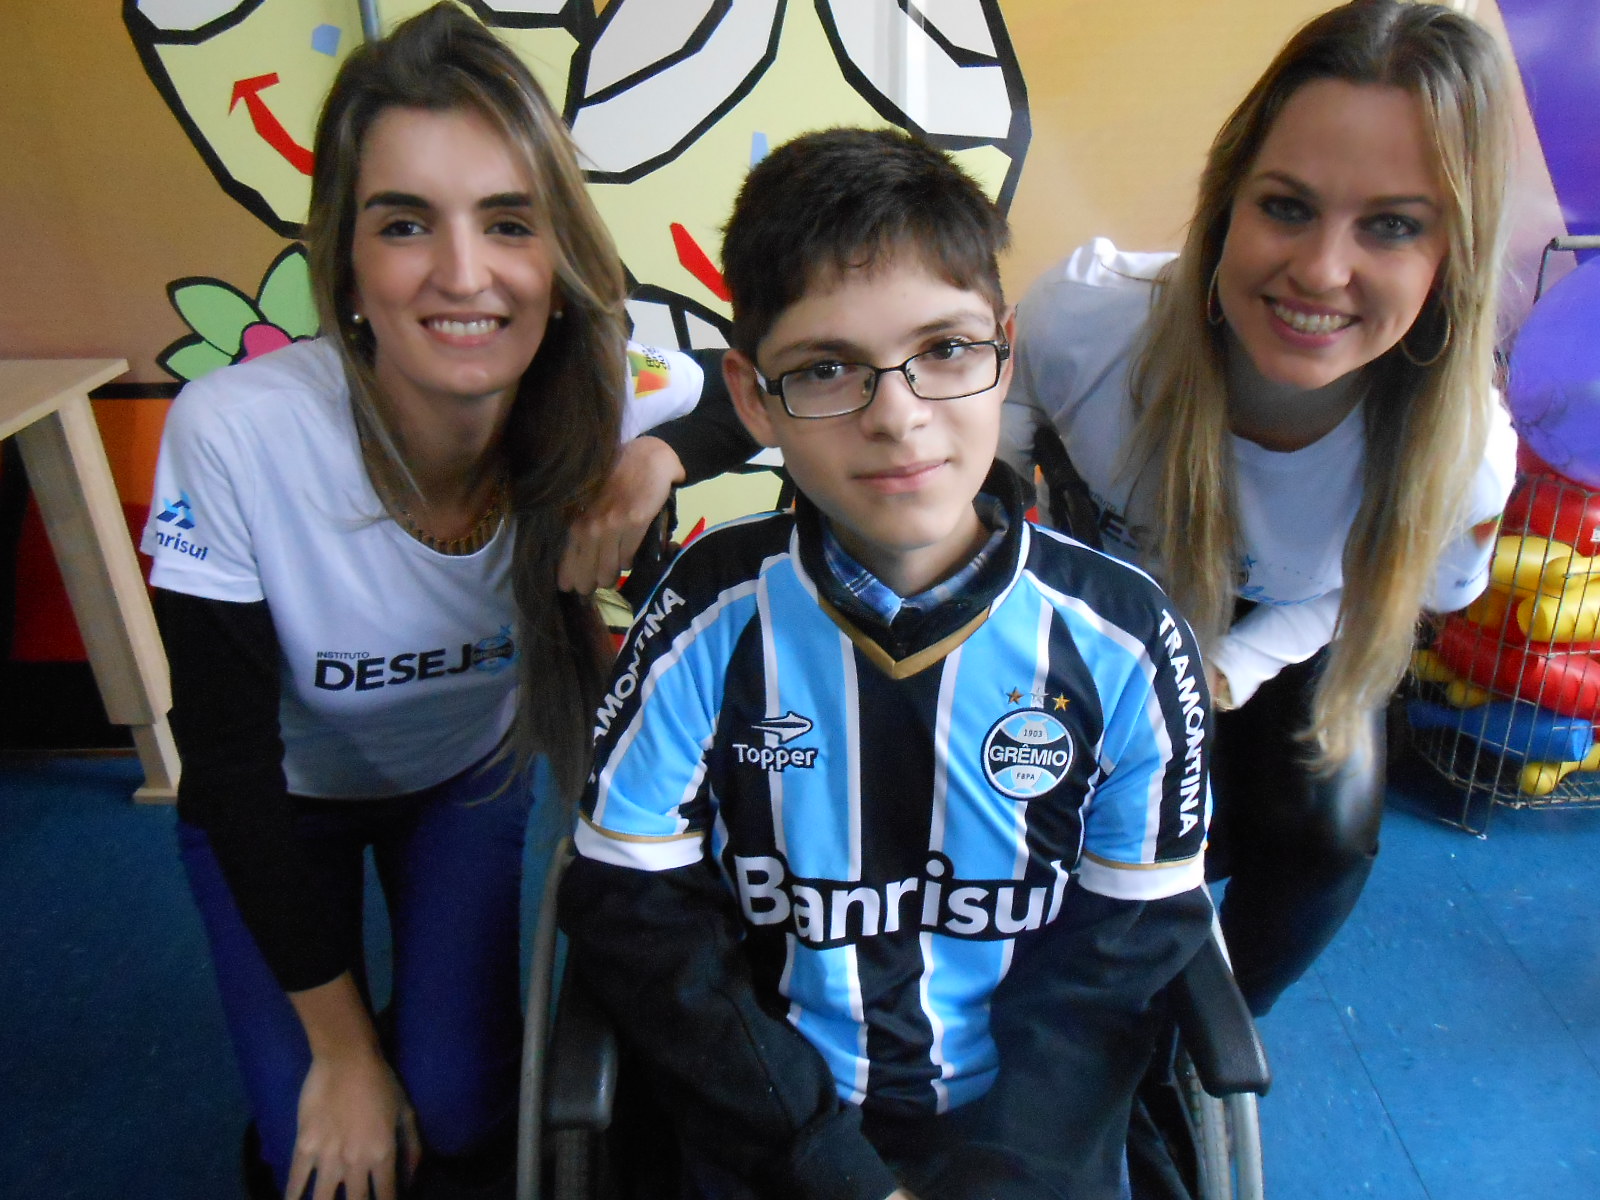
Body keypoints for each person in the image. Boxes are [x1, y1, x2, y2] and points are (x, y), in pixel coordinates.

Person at [142, 6, 749, 1198]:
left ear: (555, 255)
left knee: (465, 1112)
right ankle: (335, 1022)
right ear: (350, 263)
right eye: (406, 223)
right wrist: (341, 1050)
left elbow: (758, 387)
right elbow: (223, 759)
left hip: (461, 783)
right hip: (278, 801)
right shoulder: (237, 433)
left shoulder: (595, 391)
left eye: (509, 223)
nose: (465, 275)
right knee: (316, 1145)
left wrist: (657, 460)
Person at [558, 126, 1214, 1200]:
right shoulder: (704, 619)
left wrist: (998, 1175)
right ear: (754, 397)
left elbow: (1121, 961)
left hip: (1027, 1143)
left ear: (1004, 347)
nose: (898, 418)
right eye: (827, 369)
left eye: (946, 350)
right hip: (775, 1130)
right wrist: (830, 1169)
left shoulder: (1126, 645)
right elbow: (639, 920)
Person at [1000, 0, 1518, 1016]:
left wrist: (1239, 663)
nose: (1320, 271)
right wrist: (1000, 493)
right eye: (1285, 206)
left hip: (1295, 629)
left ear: (1450, 255)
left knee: (1320, 833)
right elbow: (1003, 408)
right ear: (1226, 199)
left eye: (1392, 226)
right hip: (1103, 604)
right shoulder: (1088, 323)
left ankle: (1192, 1033)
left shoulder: (1463, 465)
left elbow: (1386, 594)